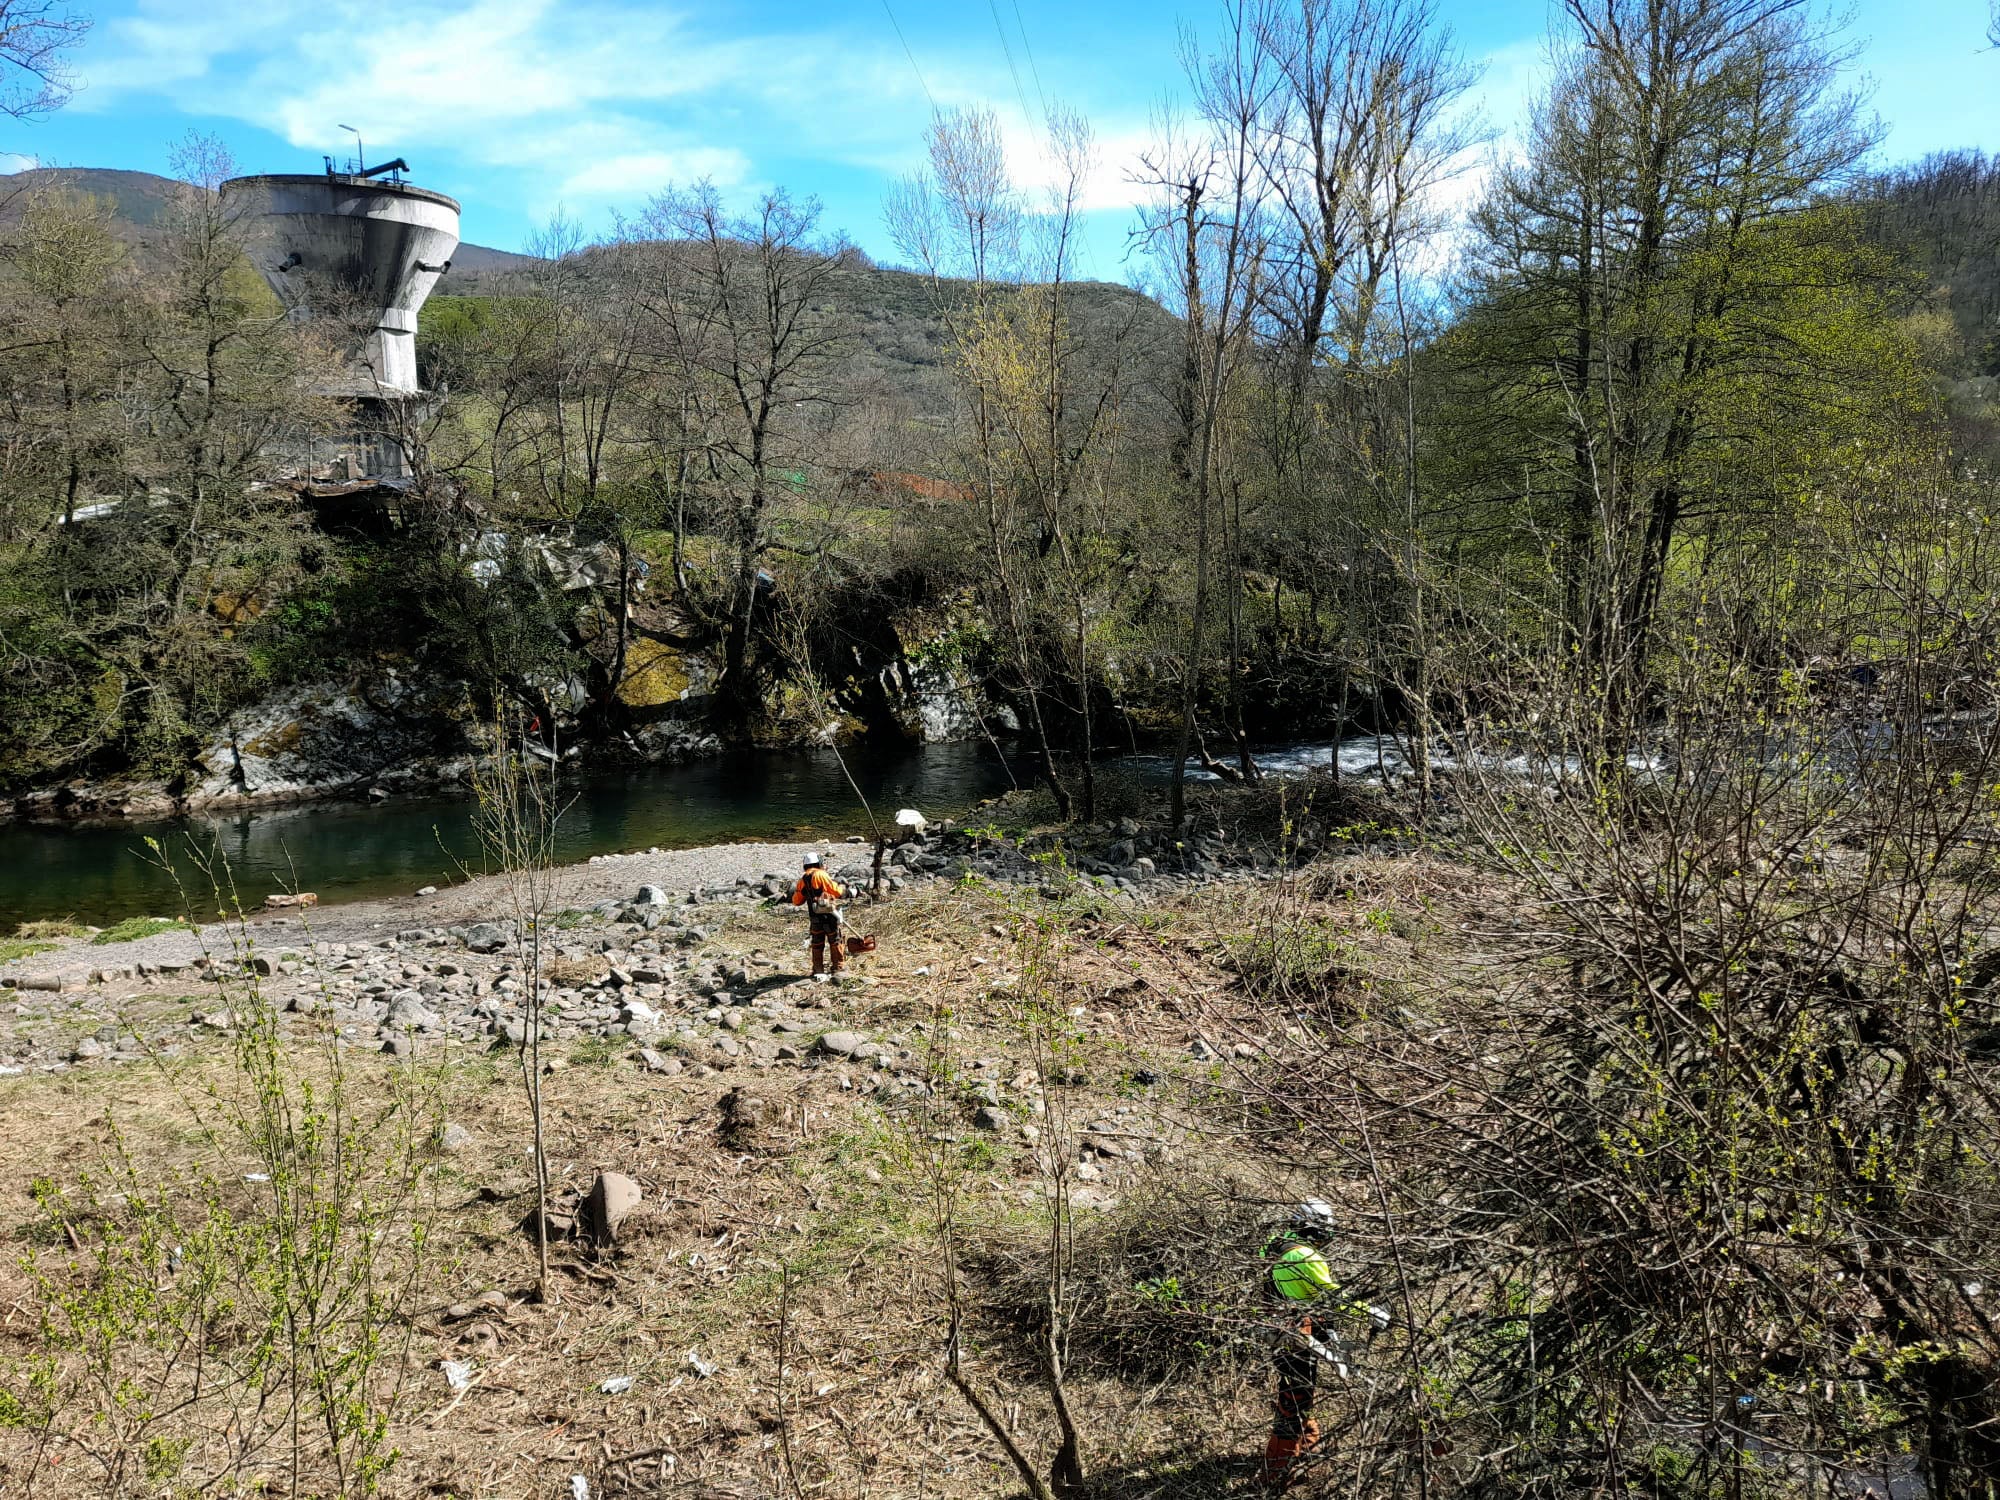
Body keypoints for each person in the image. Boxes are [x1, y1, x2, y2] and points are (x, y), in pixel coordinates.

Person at [1259, 1199, 1389, 1487]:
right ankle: (1277, 1472)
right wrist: (1371, 1312)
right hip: (1298, 1338)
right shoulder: (1308, 1257)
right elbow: (1334, 1299)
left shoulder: (1275, 1244)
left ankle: (1306, 1452)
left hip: (1277, 1332)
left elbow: (1301, 1293)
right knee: (1294, 1401)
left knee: (1299, 1393)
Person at [790, 852, 848, 976]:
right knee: (836, 940)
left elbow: (796, 901)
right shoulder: (821, 874)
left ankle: (818, 970)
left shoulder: (802, 880)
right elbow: (836, 891)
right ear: (818, 863)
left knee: (817, 943)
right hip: (829, 915)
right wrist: (845, 889)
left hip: (814, 918)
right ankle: (838, 968)